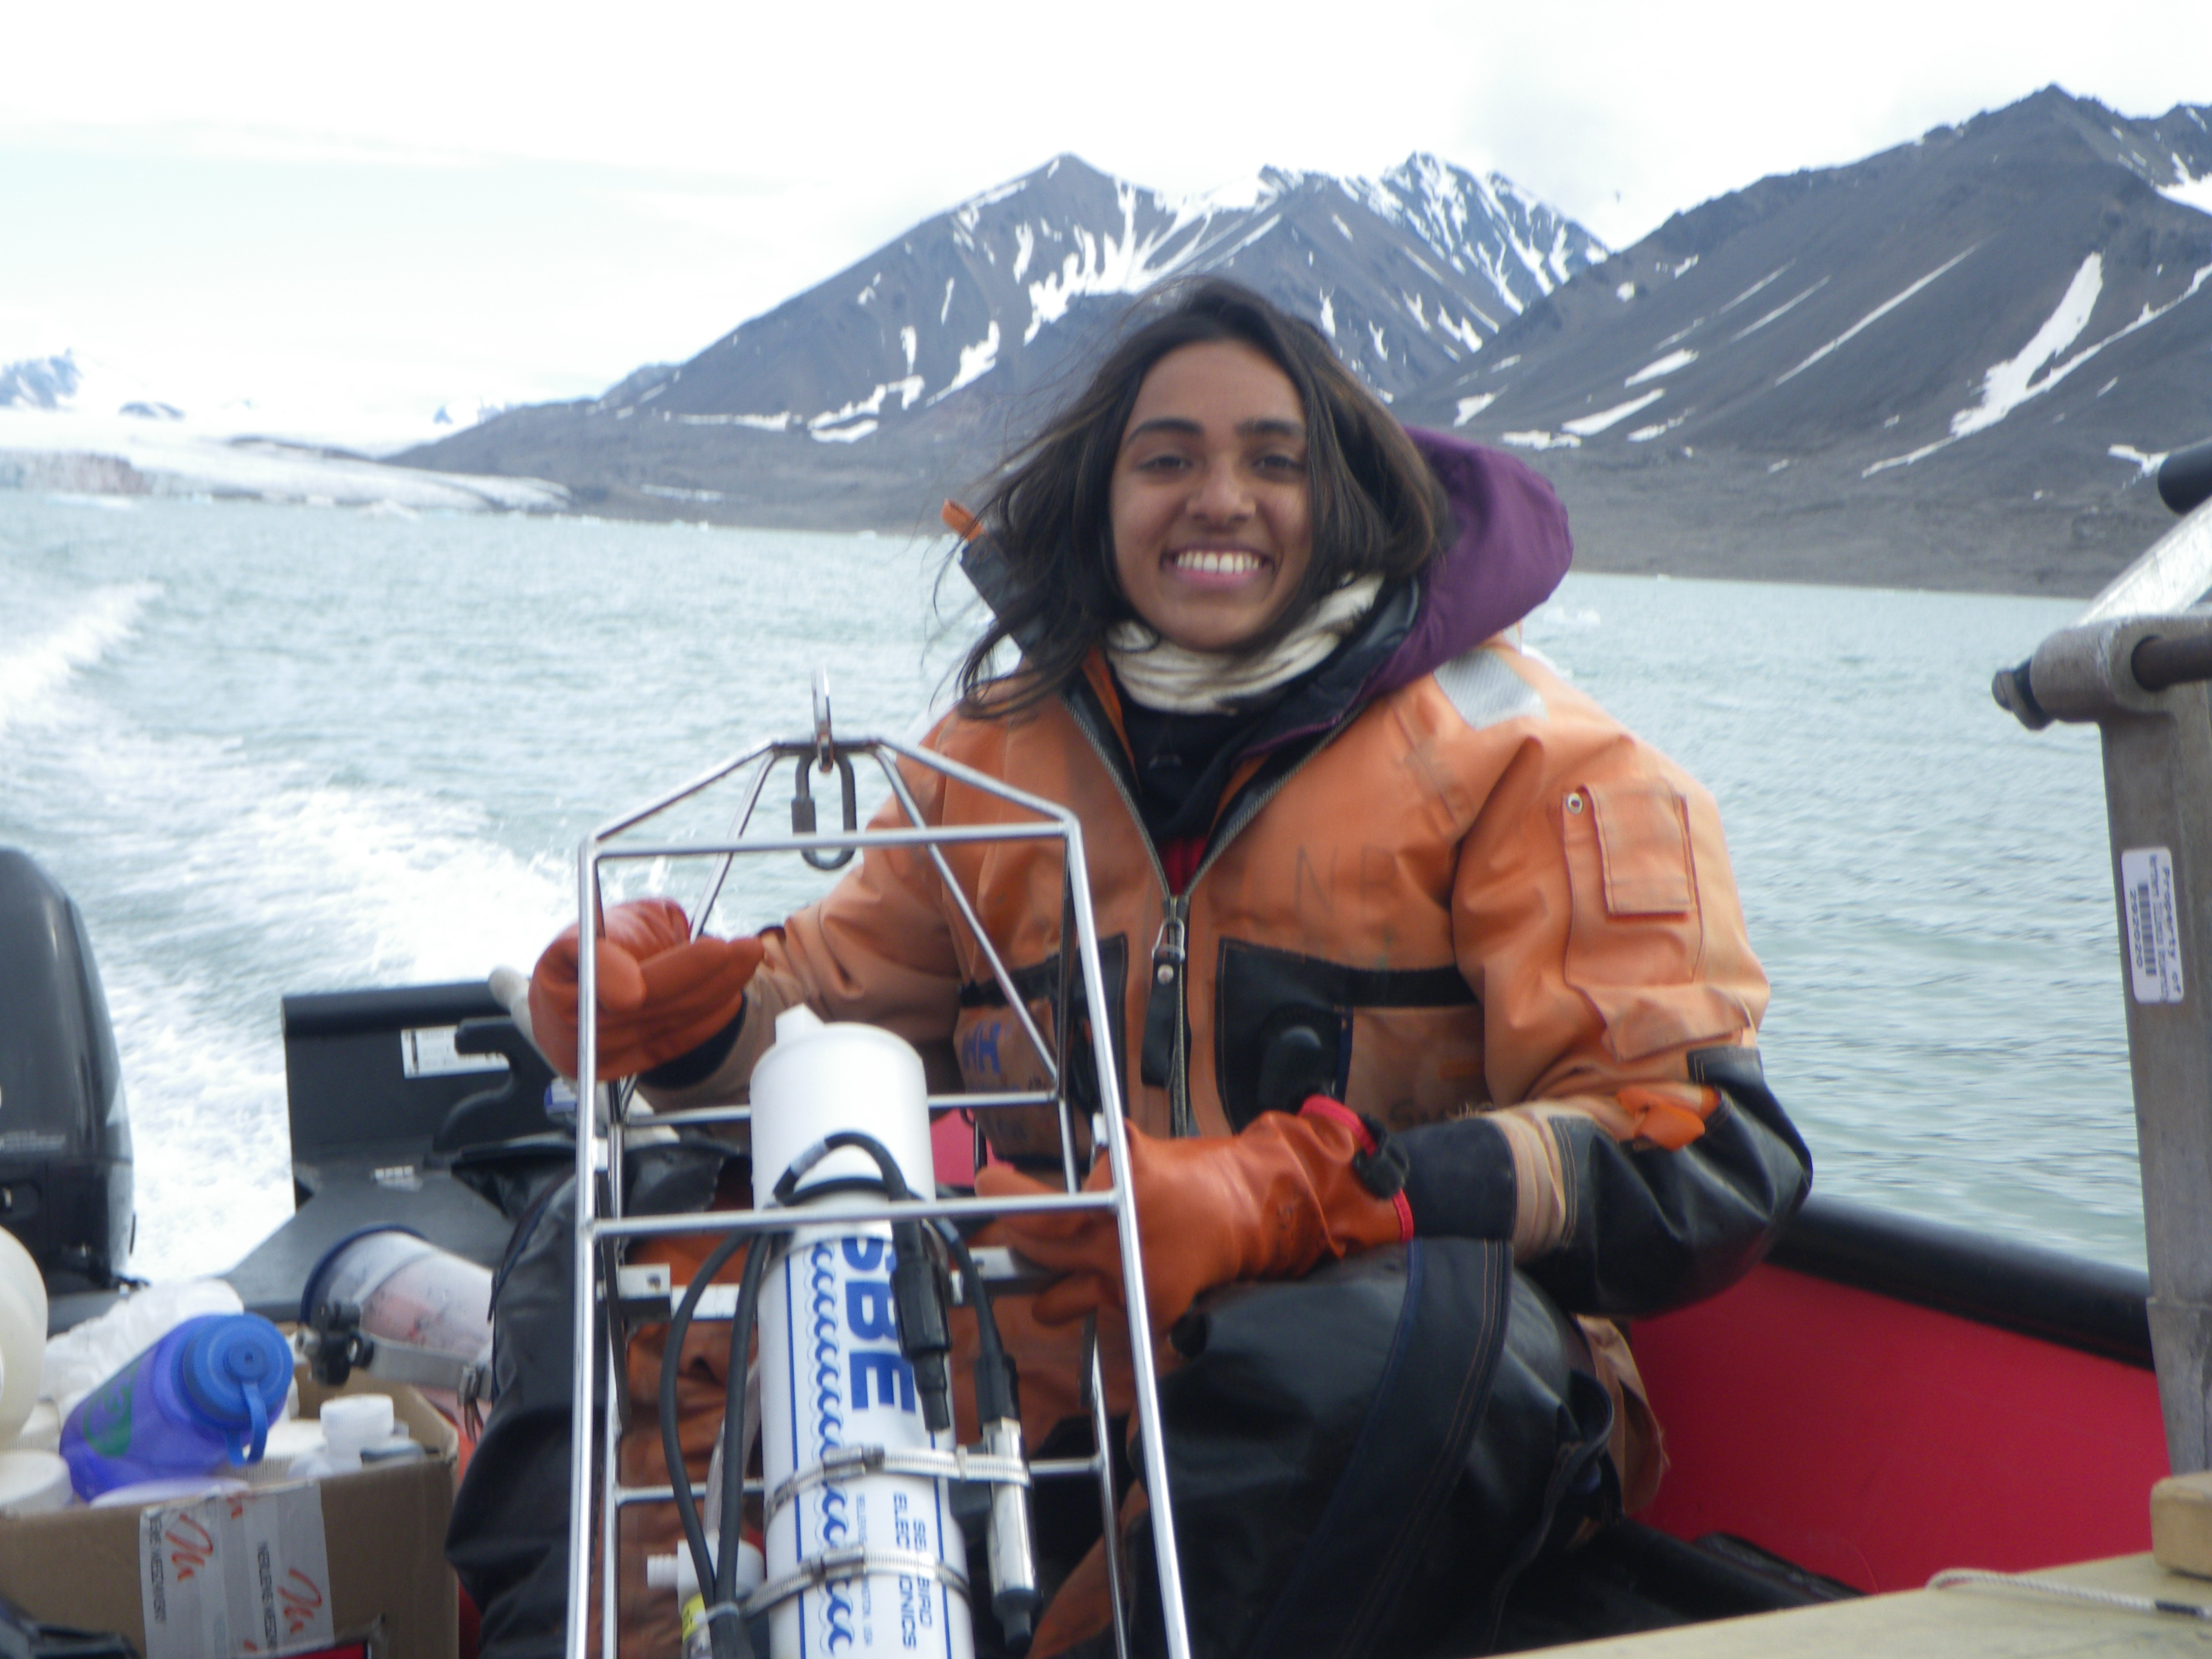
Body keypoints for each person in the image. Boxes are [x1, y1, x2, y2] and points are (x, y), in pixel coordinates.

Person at [513, 278, 1810, 1657]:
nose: (1219, 500)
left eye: (1274, 460)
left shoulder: (1542, 765)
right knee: (593, 1247)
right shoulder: (988, 760)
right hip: (1058, 1360)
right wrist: (672, 1020)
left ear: (1347, 496)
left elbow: (1699, 1147)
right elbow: (825, 1026)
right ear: (1103, 495)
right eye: (1168, 460)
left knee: (1395, 1340)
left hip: (1410, 1381)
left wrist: (1309, 1198)